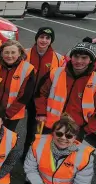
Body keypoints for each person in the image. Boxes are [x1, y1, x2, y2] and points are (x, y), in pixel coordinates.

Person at [35, 41, 96, 141]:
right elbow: (40, 93)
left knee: (67, 156)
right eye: (76, 56)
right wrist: (41, 114)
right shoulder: (55, 73)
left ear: (91, 60)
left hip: (74, 131)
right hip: (49, 126)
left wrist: (86, 130)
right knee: (40, 153)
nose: (79, 61)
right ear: (72, 57)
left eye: (84, 58)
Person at [22, 115, 95, 184]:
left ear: (75, 138)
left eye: (69, 136)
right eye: (59, 134)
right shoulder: (38, 144)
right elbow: (30, 169)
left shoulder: (84, 157)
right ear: (53, 133)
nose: (63, 138)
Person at [24, 27, 64, 159]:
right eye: (41, 37)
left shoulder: (58, 59)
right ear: (36, 38)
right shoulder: (25, 53)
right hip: (24, 96)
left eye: (48, 38)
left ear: (51, 41)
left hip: (41, 99)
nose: (44, 40)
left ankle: (29, 155)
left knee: (34, 129)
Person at [0, 40, 36, 130]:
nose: (10, 56)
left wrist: (8, 114)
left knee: (6, 139)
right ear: (1, 54)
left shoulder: (28, 69)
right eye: (6, 52)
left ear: (19, 53)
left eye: (13, 52)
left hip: (12, 115)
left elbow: (25, 96)